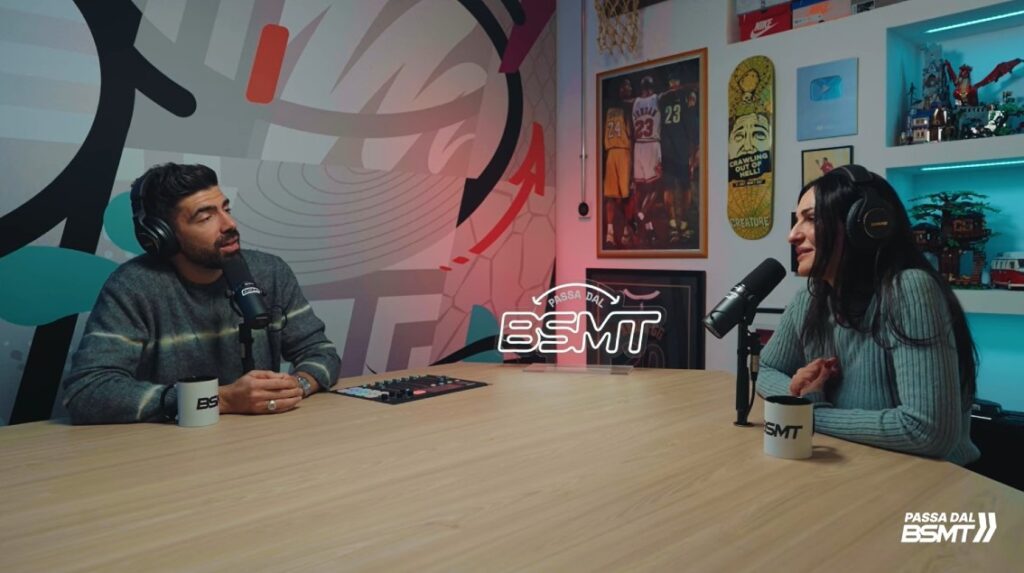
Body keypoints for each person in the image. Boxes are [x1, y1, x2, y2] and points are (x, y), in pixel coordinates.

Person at [63, 163, 341, 424]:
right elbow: (87, 391)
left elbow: (321, 352)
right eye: (206, 217)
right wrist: (220, 400)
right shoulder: (133, 287)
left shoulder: (270, 271)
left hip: (261, 440)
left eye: (226, 209)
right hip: (174, 447)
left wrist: (296, 386)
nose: (229, 224)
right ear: (163, 236)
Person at [756, 165, 980, 465]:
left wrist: (808, 413)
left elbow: (928, 431)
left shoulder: (909, 289)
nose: (792, 235)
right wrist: (797, 390)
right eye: (796, 220)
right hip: (856, 468)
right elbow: (766, 369)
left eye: (810, 219)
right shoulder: (811, 298)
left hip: (933, 481)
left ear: (863, 226)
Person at [603, 78, 633, 248]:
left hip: (614, 152)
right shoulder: (624, 108)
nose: (627, 89)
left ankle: (615, 233)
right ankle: (617, 232)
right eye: (625, 86)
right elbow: (631, 134)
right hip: (620, 152)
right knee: (619, 196)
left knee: (616, 197)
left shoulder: (609, 109)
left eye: (628, 86)